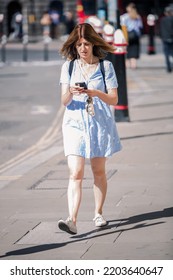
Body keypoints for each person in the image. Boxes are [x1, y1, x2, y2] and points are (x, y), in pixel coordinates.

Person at [58, 23, 122, 235]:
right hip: (74, 124)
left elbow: (113, 99)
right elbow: (64, 101)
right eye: (78, 44)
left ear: (94, 44)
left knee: (98, 171)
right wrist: (70, 91)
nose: (82, 48)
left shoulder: (106, 67)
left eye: (86, 44)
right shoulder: (69, 66)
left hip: (99, 124)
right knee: (75, 173)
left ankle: (98, 213)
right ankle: (72, 220)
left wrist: (95, 92)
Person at [121, 2, 143, 69]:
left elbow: (123, 26)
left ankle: (126, 65)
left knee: (126, 50)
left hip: (127, 35)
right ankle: (134, 65)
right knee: (134, 50)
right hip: (135, 35)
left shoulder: (124, 16)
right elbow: (140, 26)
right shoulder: (137, 16)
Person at [160, 6, 173, 73]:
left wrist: (161, 36)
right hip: (171, 38)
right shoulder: (172, 19)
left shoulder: (163, 20)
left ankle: (168, 67)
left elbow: (160, 29)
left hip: (165, 38)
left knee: (166, 54)